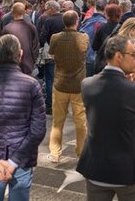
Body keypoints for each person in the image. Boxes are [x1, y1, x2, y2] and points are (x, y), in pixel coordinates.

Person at [0, 34, 47, 200]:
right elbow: (38, 129)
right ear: (20, 54)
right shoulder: (32, 85)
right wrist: (13, 162)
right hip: (22, 159)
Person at [76, 36, 135, 200]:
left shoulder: (87, 84)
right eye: (133, 54)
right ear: (119, 56)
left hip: (95, 167)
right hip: (129, 170)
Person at [47, 10, 88, 163]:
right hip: (78, 85)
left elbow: (51, 52)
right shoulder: (83, 38)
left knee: (57, 122)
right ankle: (81, 152)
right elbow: (85, 51)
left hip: (60, 84)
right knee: (81, 122)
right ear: (76, 21)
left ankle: (55, 153)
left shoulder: (55, 38)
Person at [79, 0, 107, 77]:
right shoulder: (106, 24)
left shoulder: (87, 21)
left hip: (88, 57)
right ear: (105, 8)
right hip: (100, 59)